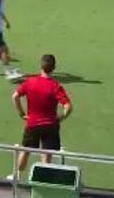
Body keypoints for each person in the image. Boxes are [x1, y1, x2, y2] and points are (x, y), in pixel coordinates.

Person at [8, 54, 73, 182]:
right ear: (54, 68)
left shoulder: (30, 82)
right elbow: (68, 106)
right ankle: (42, 180)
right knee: (46, 153)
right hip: (50, 125)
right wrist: (60, 118)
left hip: (32, 124)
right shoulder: (55, 86)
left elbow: (15, 96)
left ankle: (17, 176)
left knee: (25, 150)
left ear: (40, 66)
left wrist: (21, 113)